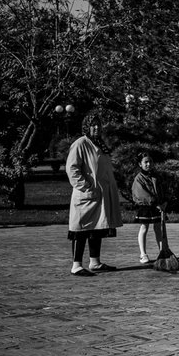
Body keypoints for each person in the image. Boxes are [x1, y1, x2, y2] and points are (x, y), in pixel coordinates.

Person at [65, 111, 123, 276]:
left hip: (100, 195)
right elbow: (72, 169)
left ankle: (95, 262)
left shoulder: (99, 143)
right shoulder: (80, 143)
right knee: (80, 230)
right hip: (86, 195)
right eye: (93, 124)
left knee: (96, 228)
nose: (96, 127)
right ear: (86, 127)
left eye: (98, 124)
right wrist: (86, 187)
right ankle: (76, 265)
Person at [131, 153, 167, 265]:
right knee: (144, 228)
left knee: (158, 228)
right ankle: (143, 254)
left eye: (150, 161)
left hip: (158, 206)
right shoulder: (138, 179)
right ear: (140, 164)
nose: (148, 164)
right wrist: (155, 203)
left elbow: (162, 189)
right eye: (145, 162)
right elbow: (142, 194)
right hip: (146, 207)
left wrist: (164, 202)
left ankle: (163, 251)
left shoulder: (156, 176)